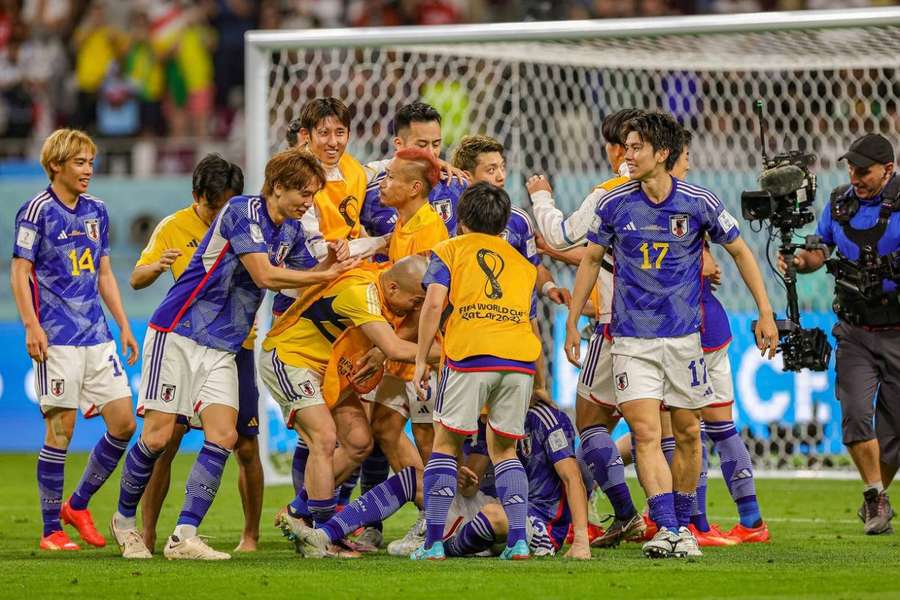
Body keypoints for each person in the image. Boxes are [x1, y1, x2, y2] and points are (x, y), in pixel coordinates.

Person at [108, 148, 355, 560]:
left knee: (224, 436)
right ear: (277, 187)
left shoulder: (290, 231)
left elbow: (308, 278)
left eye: (313, 195)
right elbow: (265, 275)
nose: (308, 203)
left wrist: (335, 256)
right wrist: (322, 272)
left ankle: (183, 536)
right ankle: (125, 522)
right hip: (178, 332)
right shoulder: (242, 210)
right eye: (304, 194)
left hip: (224, 345)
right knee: (156, 437)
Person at [565, 112, 778, 559]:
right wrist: (571, 321)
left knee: (687, 433)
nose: (627, 156)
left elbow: (739, 251)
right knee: (645, 432)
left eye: (637, 147)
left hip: (685, 340)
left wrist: (765, 311)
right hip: (631, 341)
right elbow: (589, 260)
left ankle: (683, 525)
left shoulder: (698, 201)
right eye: (626, 147)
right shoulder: (614, 204)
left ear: (662, 154)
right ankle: (666, 527)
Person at [129, 154, 265, 553]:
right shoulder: (173, 227)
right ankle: (150, 533)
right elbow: (137, 277)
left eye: (229, 202)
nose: (222, 212)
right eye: (213, 205)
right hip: (186, 346)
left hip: (235, 347)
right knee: (166, 442)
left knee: (244, 445)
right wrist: (156, 268)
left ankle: (251, 536)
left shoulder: (249, 225)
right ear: (196, 197)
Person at [262, 255, 440, 555]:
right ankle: (321, 534)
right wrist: (456, 354)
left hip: (327, 369)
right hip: (289, 358)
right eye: (417, 300)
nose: (419, 308)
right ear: (394, 288)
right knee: (324, 437)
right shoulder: (362, 294)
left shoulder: (382, 279)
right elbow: (394, 348)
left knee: (359, 442)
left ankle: (297, 512)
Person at [12, 128, 138, 552]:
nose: (89, 169)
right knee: (60, 431)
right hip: (57, 338)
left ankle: (77, 504)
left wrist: (122, 324)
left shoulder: (96, 211)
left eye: (90, 162)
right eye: (80, 162)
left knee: (124, 422)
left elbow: (103, 273)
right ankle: (51, 530)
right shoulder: (36, 212)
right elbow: (20, 272)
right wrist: (32, 325)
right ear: (56, 165)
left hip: (97, 336)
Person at [526, 109, 646, 547]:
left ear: (616, 148)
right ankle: (683, 524)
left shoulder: (609, 193)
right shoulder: (676, 193)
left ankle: (628, 514)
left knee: (591, 425)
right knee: (668, 431)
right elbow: (604, 255)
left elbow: (562, 236)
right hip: (671, 328)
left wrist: (541, 198)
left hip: (618, 327)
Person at [282, 400, 592, 561]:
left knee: (496, 516)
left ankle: (443, 544)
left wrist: (579, 540)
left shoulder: (546, 419)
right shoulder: (481, 420)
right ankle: (323, 535)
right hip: (486, 506)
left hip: (538, 523)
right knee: (415, 478)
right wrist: (464, 479)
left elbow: (571, 477)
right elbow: (472, 477)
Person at [412, 182, 542, 560]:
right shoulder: (524, 264)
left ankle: (433, 543)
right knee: (505, 449)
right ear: (503, 226)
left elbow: (434, 303)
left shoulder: (449, 250)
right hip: (519, 359)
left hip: (471, 354)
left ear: (461, 221)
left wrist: (422, 358)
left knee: (445, 444)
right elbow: (531, 321)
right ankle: (519, 542)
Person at [786, 133, 900, 535]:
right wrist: (801, 259)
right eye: (851, 168)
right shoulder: (839, 202)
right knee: (854, 411)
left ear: (888, 169)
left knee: (896, 431)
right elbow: (821, 250)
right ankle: (874, 496)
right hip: (854, 330)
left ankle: (876, 495)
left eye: (863, 170)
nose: (855, 176)